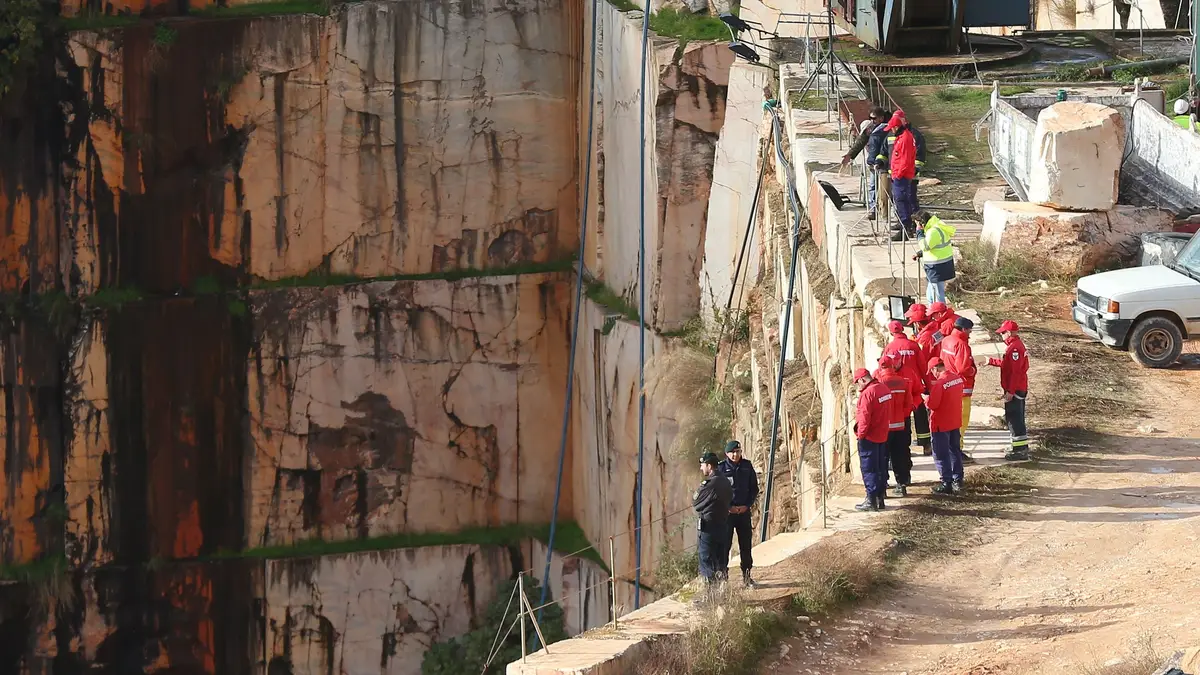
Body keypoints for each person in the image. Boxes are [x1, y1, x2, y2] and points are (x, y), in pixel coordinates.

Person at [987, 320, 1031, 461]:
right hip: (1017, 388)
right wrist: (991, 361)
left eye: (1003, 333)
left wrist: (1010, 391)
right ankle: (1020, 447)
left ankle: (1020, 450)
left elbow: (1015, 372)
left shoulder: (1015, 349)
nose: (1001, 336)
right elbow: (1008, 366)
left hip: (1016, 389)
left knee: (1014, 419)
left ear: (1010, 332)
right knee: (1016, 418)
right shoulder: (1014, 347)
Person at [718, 440, 759, 588]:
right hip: (727, 515)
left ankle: (747, 577)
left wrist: (747, 505)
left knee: (746, 546)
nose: (735, 455)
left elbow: (754, 488)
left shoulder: (747, 466)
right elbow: (716, 492)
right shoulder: (721, 469)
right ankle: (723, 578)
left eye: (738, 451)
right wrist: (728, 507)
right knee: (725, 546)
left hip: (743, 513)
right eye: (732, 452)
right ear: (727, 453)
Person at [880, 110, 926, 241]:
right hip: (900, 175)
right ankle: (906, 225)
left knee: (904, 200)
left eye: (892, 128)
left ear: (896, 126)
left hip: (902, 176)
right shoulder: (901, 137)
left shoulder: (906, 138)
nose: (891, 130)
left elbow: (905, 160)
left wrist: (898, 175)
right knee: (901, 201)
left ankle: (906, 227)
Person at [875, 355, 917, 497]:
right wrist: (900, 415)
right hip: (900, 425)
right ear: (892, 366)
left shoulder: (879, 384)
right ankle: (902, 484)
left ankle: (883, 486)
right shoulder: (902, 382)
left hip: (884, 428)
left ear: (881, 367)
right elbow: (909, 403)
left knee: (882, 457)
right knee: (900, 455)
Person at [853, 367, 893, 511]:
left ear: (863, 380)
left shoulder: (868, 394)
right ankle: (880, 499)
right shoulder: (884, 389)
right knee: (880, 467)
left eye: (858, 383)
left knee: (869, 468)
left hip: (869, 436)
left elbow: (864, 418)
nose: (858, 386)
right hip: (883, 434)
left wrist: (860, 435)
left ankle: (871, 501)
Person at [842, 106, 892, 220]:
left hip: (886, 164)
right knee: (872, 187)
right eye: (870, 118)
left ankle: (887, 214)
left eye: (874, 118)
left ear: (881, 118)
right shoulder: (870, 128)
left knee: (886, 190)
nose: (871, 120)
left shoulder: (890, 128)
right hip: (873, 163)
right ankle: (873, 209)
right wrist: (850, 155)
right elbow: (860, 142)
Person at [924, 358, 966, 495]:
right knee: (955, 450)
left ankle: (946, 482)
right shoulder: (957, 379)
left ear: (936, 368)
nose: (932, 374)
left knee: (941, 454)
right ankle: (957, 479)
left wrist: (926, 400)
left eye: (932, 371)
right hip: (954, 421)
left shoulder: (940, 384)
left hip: (941, 424)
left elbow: (933, 405)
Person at [693, 451, 732, 593]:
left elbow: (696, 502)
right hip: (722, 524)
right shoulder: (725, 481)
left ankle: (709, 597)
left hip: (709, 527)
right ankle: (722, 593)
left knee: (707, 560)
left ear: (709, 466)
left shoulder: (710, 483)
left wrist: (706, 504)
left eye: (702, 465)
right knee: (720, 559)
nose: (701, 468)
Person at [940, 316, 978, 462]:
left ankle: (952, 449)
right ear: (963, 329)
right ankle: (957, 450)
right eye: (969, 330)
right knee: (961, 421)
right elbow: (963, 368)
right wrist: (973, 371)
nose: (970, 333)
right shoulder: (962, 344)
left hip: (949, 385)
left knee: (950, 420)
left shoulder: (946, 340)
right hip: (962, 388)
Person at [905, 304, 935, 455]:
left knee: (920, 412)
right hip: (934, 374)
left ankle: (926, 443)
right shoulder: (934, 330)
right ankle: (927, 442)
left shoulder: (925, 337)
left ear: (917, 322)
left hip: (927, 377)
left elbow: (922, 359)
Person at [911, 210, 956, 304]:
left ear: (922, 223)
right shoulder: (935, 226)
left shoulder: (933, 231)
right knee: (931, 293)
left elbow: (925, 246)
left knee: (938, 295)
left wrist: (919, 233)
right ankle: (932, 311)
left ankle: (940, 314)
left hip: (937, 267)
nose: (916, 227)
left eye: (917, 224)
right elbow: (935, 246)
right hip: (938, 265)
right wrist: (920, 254)